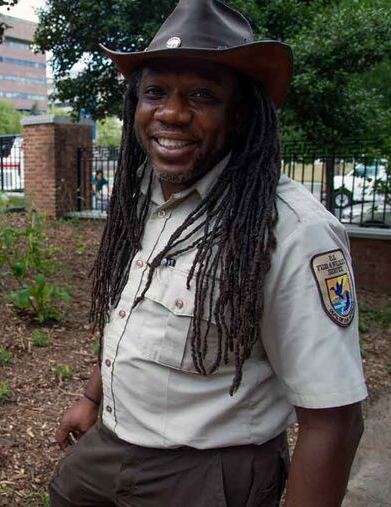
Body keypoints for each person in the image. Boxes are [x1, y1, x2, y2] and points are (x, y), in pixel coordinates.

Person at [49, 1, 367, 506]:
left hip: (208, 473)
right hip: (111, 443)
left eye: (202, 95)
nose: (171, 113)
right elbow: (132, 313)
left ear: (239, 115)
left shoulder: (292, 231)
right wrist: (92, 399)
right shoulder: (147, 193)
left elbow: (334, 419)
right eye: (155, 92)